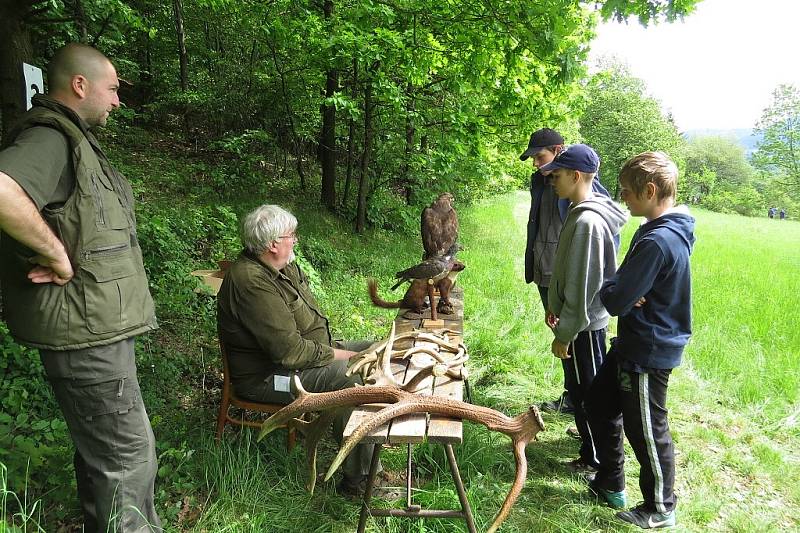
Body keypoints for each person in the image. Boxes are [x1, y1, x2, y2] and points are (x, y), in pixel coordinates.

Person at [0, 44, 160, 531]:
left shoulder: (75, 141)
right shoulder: (51, 138)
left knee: (105, 457)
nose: (117, 101)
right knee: (128, 460)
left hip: (93, 330)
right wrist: (53, 253)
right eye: (113, 89)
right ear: (79, 85)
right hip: (86, 335)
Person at [216, 204, 382, 496]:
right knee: (350, 378)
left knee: (377, 349)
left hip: (310, 355)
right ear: (272, 244)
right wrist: (345, 357)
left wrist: (346, 352)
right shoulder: (251, 282)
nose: (295, 240)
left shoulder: (282, 266)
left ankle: (368, 438)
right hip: (270, 377)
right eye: (291, 235)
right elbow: (289, 353)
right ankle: (359, 480)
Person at [586, 152, 695, 529]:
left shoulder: (659, 241)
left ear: (650, 191)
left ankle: (660, 507)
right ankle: (610, 481)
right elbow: (624, 288)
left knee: (647, 429)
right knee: (598, 403)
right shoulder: (651, 230)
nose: (623, 199)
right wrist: (623, 286)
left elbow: (615, 299)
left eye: (628, 193)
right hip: (630, 344)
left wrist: (615, 286)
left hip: (649, 350)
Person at [538, 144, 628, 476]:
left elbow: (583, 284)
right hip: (579, 321)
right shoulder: (580, 211)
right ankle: (592, 453)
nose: (552, 182)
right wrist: (555, 306)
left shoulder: (588, 221)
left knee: (588, 394)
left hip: (584, 326)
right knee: (582, 390)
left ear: (576, 176)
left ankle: (595, 460)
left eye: (557, 176)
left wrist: (565, 332)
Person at [520, 129, 616, 417]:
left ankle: (591, 408)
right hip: (546, 271)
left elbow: (603, 238)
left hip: (573, 277)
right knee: (562, 337)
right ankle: (573, 395)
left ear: (559, 150)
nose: (536, 165)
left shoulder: (584, 185)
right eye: (534, 159)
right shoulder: (539, 181)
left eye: (540, 156)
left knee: (580, 341)